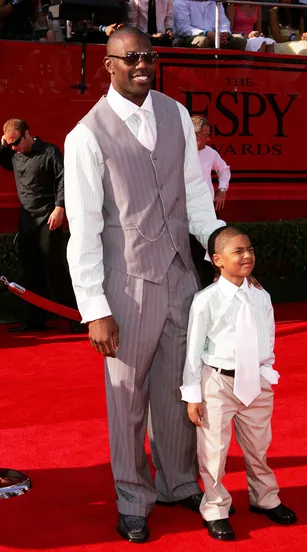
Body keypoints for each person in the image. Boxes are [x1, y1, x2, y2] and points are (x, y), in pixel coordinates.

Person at [64, 25, 226, 543]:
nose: (141, 64)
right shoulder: (86, 134)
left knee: (181, 389)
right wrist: (94, 306)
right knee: (127, 399)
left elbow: (194, 194)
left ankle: (179, 483)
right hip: (126, 285)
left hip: (181, 275)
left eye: (147, 56)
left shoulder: (176, 113)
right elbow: (84, 229)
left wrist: (216, 237)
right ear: (108, 65)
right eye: (129, 57)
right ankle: (133, 497)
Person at [181, 225, 297, 541]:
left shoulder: (261, 296)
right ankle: (216, 508)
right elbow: (193, 349)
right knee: (214, 452)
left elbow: (267, 336)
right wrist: (193, 394)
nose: (247, 256)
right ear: (217, 259)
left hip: (256, 382)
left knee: (259, 447)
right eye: (238, 251)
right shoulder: (205, 300)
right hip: (217, 382)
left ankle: (265, 499)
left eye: (250, 249)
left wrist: (267, 372)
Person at [0, 119, 82, 333]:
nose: (13, 148)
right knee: (31, 271)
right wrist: (3, 145)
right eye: (9, 145)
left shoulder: (49, 152)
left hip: (48, 218)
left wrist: (59, 207)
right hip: (26, 220)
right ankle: (36, 319)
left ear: (27, 135)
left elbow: (65, 178)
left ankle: (74, 318)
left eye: (16, 142)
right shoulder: (13, 155)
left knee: (55, 269)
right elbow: (2, 159)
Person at [189, 116, 230, 288]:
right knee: (191, 252)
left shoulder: (211, 153)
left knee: (212, 244)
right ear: (195, 135)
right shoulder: (178, 152)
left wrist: (222, 190)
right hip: (181, 210)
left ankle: (214, 282)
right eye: (206, 135)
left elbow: (224, 170)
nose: (209, 139)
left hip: (206, 209)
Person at [173, 0, 246, 50]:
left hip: (216, 36)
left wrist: (224, 33)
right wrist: (206, 34)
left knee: (240, 40)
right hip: (191, 37)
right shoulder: (181, 2)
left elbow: (224, 22)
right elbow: (182, 28)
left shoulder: (215, 2)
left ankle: (229, 70)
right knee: (202, 40)